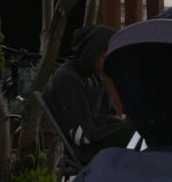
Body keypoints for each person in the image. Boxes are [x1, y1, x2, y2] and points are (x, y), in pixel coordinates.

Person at [41, 25, 135, 159]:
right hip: (87, 150)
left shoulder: (94, 77)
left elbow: (109, 115)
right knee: (138, 135)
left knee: (143, 131)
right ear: (92, 52)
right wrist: (121, 127)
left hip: (99, 140)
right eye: (104, 57)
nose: (108, 63)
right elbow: (82, 136)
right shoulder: (68, 78)